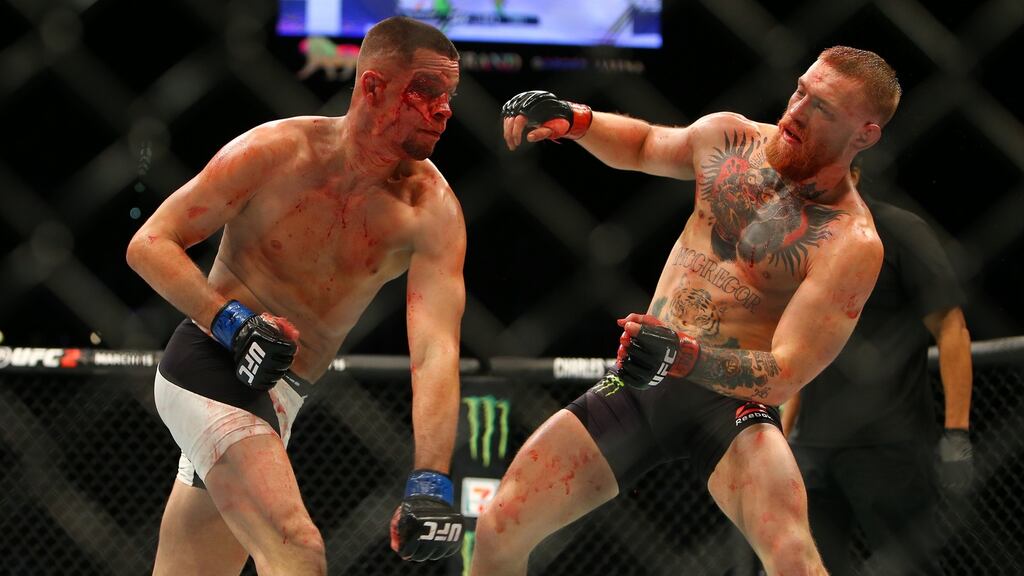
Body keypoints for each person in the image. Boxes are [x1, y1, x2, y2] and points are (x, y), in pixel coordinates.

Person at [471, 46, 901, 576]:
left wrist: (687, 356)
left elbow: (786, 374)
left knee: (792, 557)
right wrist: (577, 119)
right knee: (498, 526)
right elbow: (647, 143)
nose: (796, 113)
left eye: (823, 110)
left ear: (865, 134)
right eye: (800, 91)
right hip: (642, 386)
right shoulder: (732, 139)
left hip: (731, 406)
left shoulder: (849, 241)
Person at [126, 16, 467, 575]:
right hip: (211, 360)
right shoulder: (277, 152)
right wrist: (231, 322)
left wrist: (430, 478)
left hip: (284, 396)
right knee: (296, 547)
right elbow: (150, 242)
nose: (444, 109)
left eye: (449, 96)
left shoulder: (431, 213)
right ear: (373, 86)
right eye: (427, 91)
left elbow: (435, 353)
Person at [781, 164, 973, 575]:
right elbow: (798, 350)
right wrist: (783, 437)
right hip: (812, 445)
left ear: (854, 170)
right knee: (804, 567)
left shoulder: (899, 230)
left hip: (891, 445)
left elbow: (951, 329)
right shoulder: (802, 244)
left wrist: (957, 432)